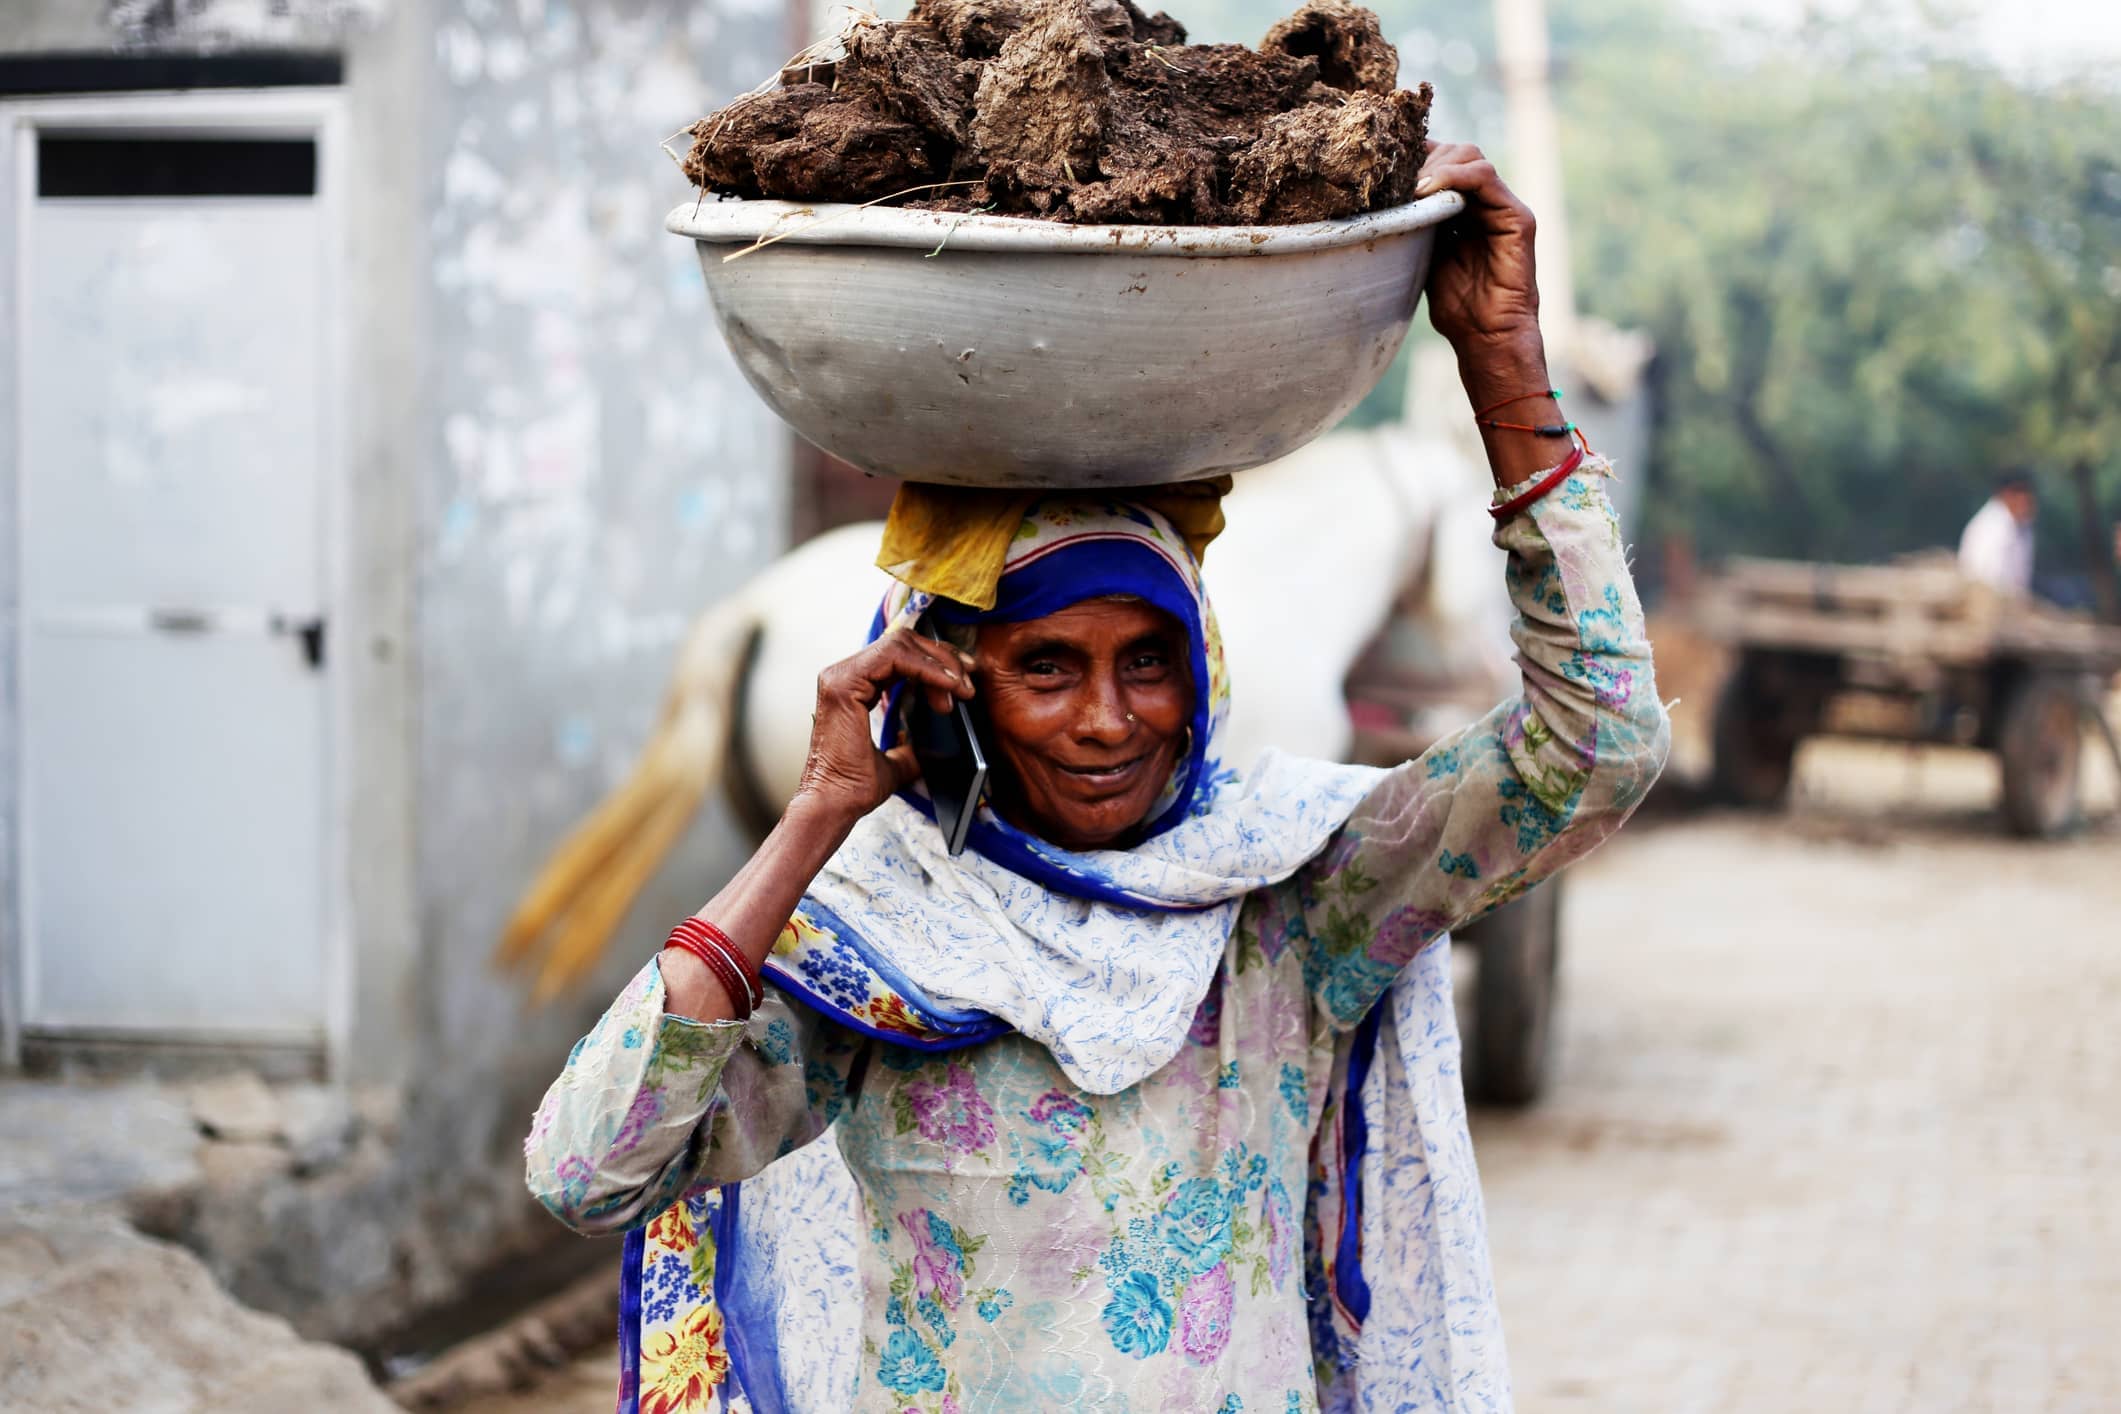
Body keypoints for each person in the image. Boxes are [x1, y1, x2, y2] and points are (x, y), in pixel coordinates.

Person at [524, 144, 1671, 1414]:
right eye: (1049, 667)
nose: (1108, 719)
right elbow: (588, 1169)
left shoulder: (1292, 903)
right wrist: (814, 820)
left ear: (1204, 677)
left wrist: (1502, 362)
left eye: (1149, 662)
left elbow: (1598, 749)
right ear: (956, 683)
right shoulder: (881, 959)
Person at [1957, 471, 2038, 594]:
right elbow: (1987, 578)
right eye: (2020, 493)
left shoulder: (2023, 526)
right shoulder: (1990, 526)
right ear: (2006, 494)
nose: (2026, 500)